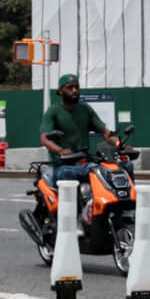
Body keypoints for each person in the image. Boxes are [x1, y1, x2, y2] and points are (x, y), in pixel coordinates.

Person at [39, 73, 109, 222]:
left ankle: (108, 212)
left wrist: (118, 143)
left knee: (111, 171)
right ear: (60, 91)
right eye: (69, 87)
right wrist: (60, 150)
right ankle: (75, 218)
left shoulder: (85, 109)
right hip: (63, 165)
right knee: (67, 174)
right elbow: (45, 138)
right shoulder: (53, 111)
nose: (74, 90)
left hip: (85, 163)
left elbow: (105, 132)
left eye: (76, 87)